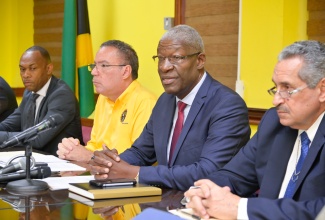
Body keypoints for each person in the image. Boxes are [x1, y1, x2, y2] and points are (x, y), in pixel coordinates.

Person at [89, 24, 251, 191]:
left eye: (176, 58)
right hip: (168, 203)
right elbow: (141, 152)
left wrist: (135, 173)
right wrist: (109, 165)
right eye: (160, 58)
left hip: (209, 208)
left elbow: (208, 171)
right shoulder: (165, 101)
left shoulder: (227, 105)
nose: (164, 67)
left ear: (200, 61)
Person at [184, 40, 325, 219]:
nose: (276, 101)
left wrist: (241, 209)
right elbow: (233, 175)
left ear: (322, 90)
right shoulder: (274, 123)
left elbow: (319, 211)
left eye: (287, 88)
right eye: (276, 88)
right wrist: (202, 191)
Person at [56, 40, 157, 162]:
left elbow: (137, 158)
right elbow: (95, 146)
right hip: (100, 172)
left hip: (128, 178)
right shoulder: (104, 98)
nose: (93, 72)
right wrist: (73, 150)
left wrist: (89, 157)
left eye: (103, 66)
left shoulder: (146, 102)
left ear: (125, 71)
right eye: (94, 66)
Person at [0, 46, 83, 156]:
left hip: (63, 165)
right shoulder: (29, 93)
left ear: (48, 69)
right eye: (22, 69)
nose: (26, 75)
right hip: (35, 160)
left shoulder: (62, 95)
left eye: (33, 68)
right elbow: (10, 124)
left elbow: (37, 138)